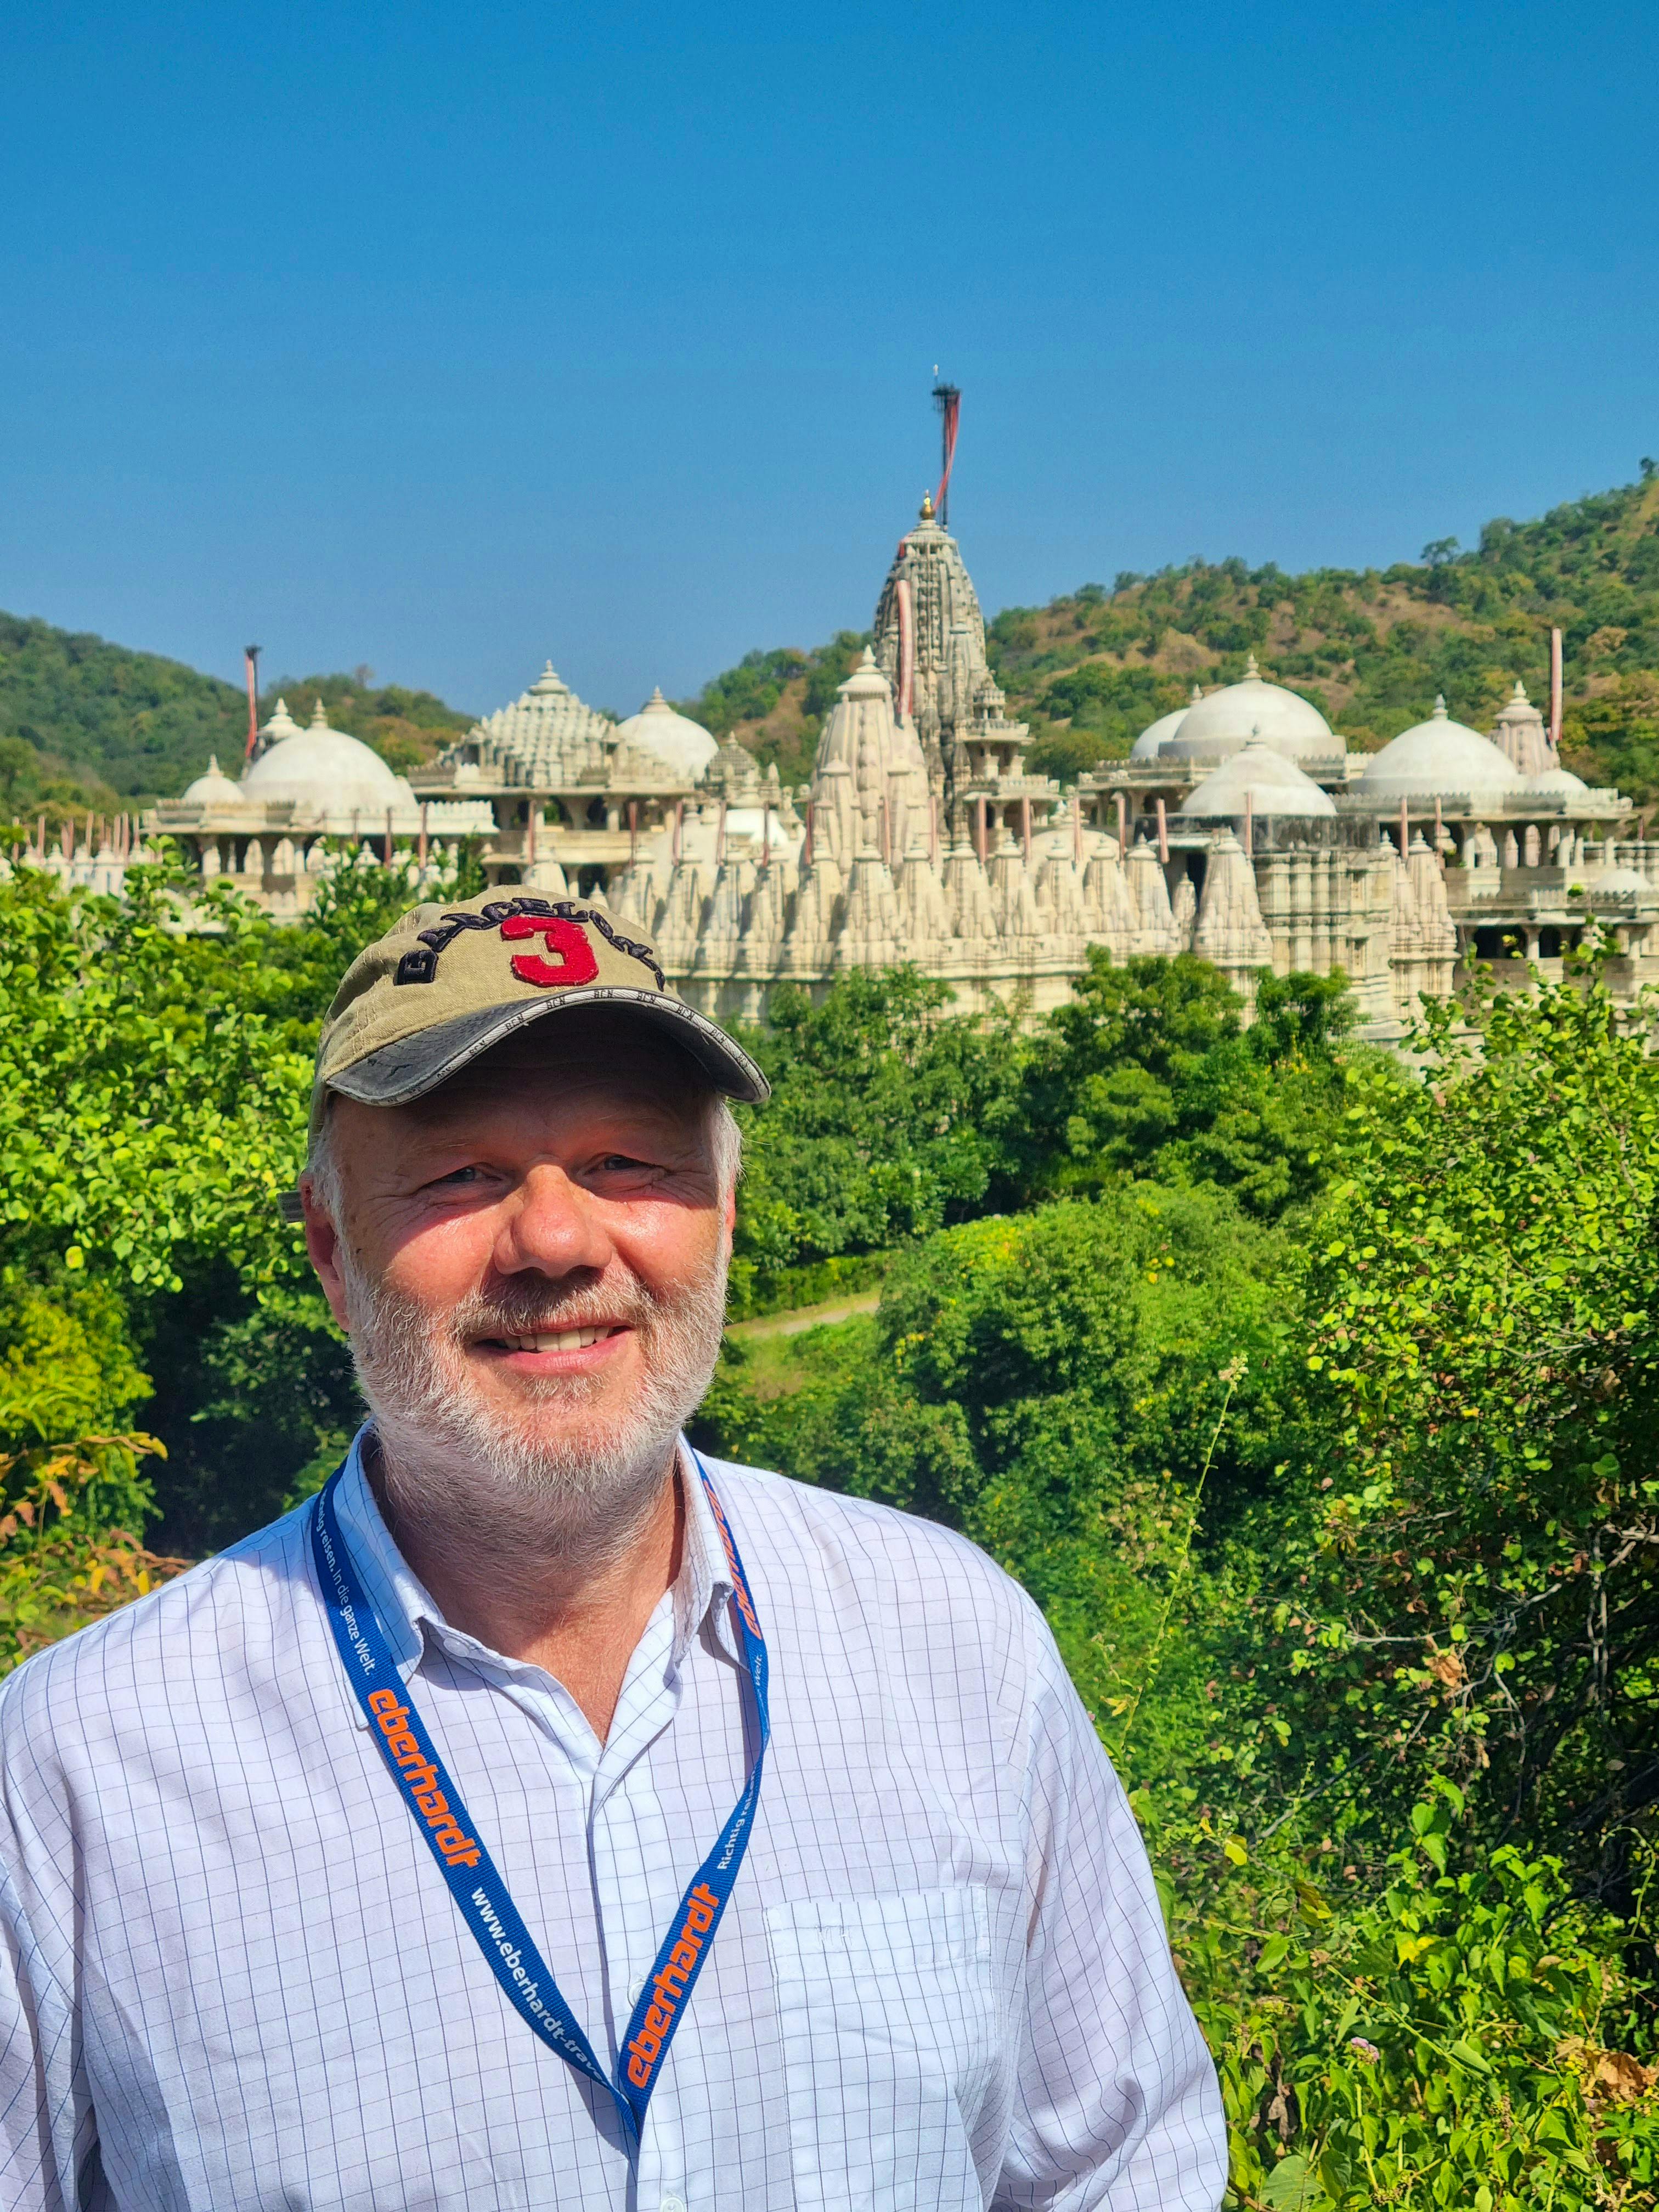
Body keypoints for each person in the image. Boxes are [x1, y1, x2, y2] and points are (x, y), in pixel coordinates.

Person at [0, 888, 1227, 2210]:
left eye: (629, 1165)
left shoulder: (957, 1646)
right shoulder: (83, 1764)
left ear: (724, 1220)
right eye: (461, 1175)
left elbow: (1118, 2166)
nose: (557, 1241)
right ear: (331, 1251)